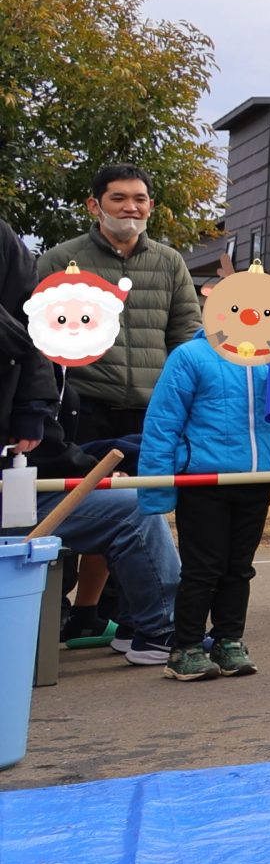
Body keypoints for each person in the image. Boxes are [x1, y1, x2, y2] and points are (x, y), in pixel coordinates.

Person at [0, 218, 179, 667]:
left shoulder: (57, 374)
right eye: (63, 314)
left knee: (131, 503)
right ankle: (147, 626)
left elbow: (51, 448)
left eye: (89, 316)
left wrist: (119, 459)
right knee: (127, 508)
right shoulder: (34, 358)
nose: (77, 324)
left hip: (31, 482)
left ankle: (138, 626)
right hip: (20, 492)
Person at [140, 291, 270, 681]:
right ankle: (185, 647)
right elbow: (162, 422)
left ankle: (228, 640)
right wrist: (156, 487)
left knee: (239, 568)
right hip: (203, 479)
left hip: (257, 478)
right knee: (202, 568)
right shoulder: (191, 356)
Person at [36, 164, 200, 448]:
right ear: (94, 205)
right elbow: (36, 338)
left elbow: (186, 334)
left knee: (149, 477)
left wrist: (184, 395)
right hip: (83, 407)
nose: (130, 207)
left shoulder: (170, 262)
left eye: (139, 199)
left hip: (154, 407)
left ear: (150, 206)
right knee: (86, 476)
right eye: (118, 198)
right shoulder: (59, 260)